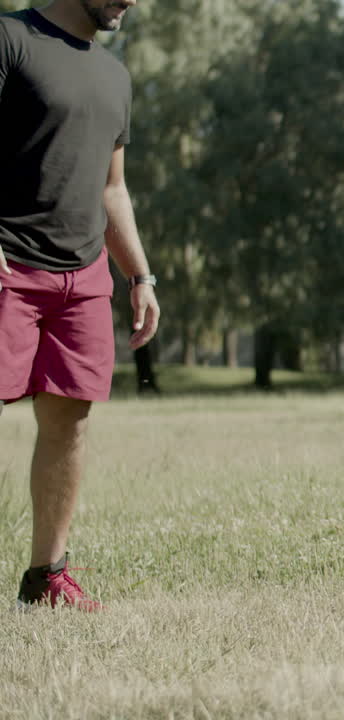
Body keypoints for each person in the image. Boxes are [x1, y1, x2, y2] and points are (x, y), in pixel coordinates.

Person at [0, 0, 159, 611]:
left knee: (70, 420)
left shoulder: (113, 75)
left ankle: (46, 577)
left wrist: (140, 274)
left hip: (83, 276)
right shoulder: (10, 38)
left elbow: (112, 189)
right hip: (10, 267)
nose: (131, 0)